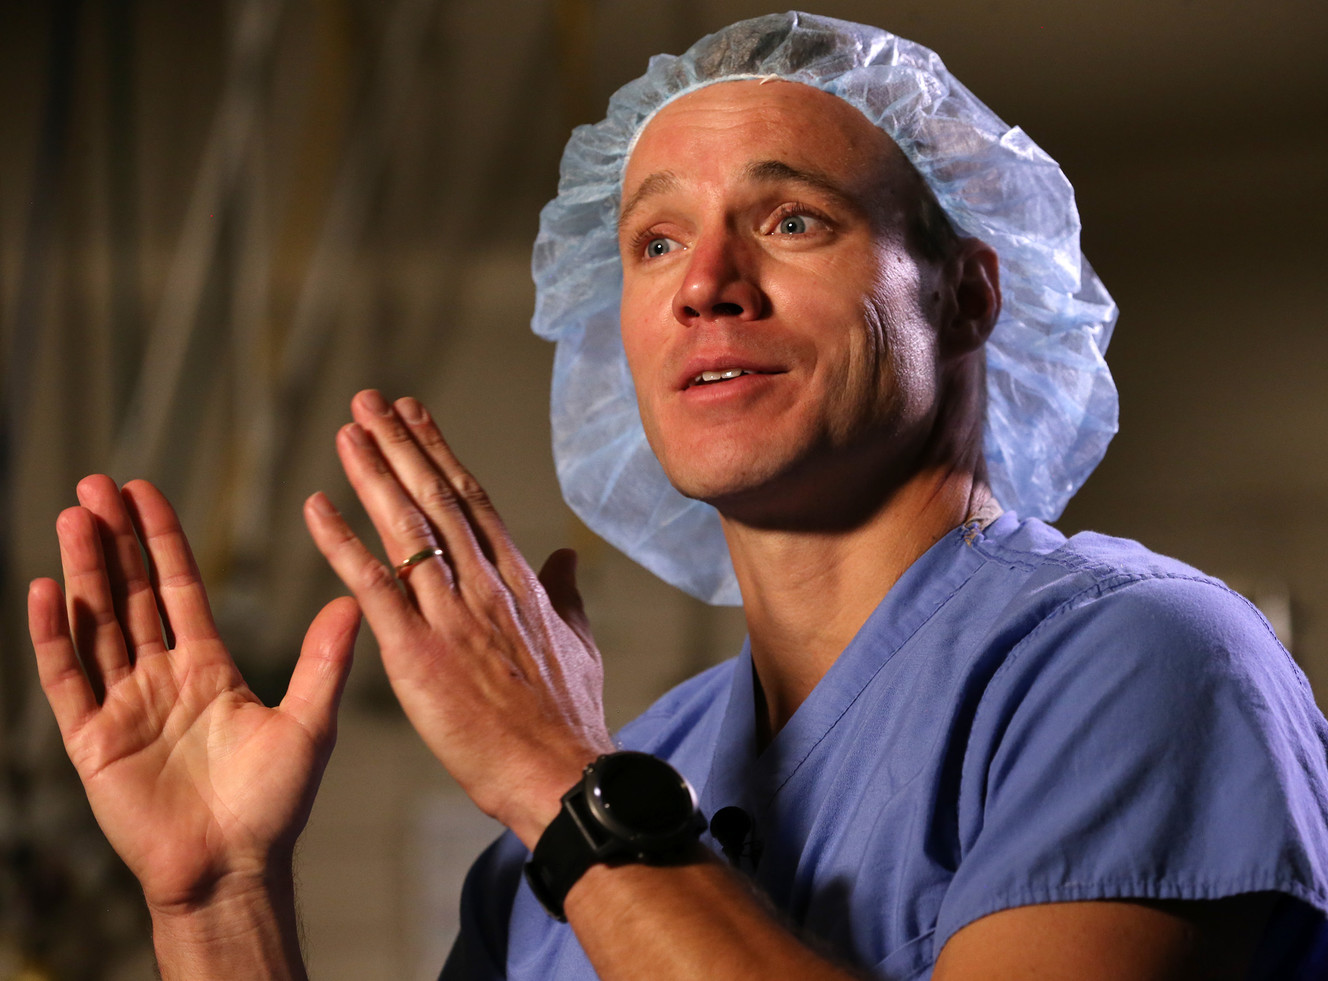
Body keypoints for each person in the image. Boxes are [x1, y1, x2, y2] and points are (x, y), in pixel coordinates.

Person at [26, 12, 1328, 980]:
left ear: (970, 291)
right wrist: (218, 900)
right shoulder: (603, 799)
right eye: (654, 240)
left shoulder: (1143, 663)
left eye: (793, 220)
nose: (707, 280)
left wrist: (556, 777)